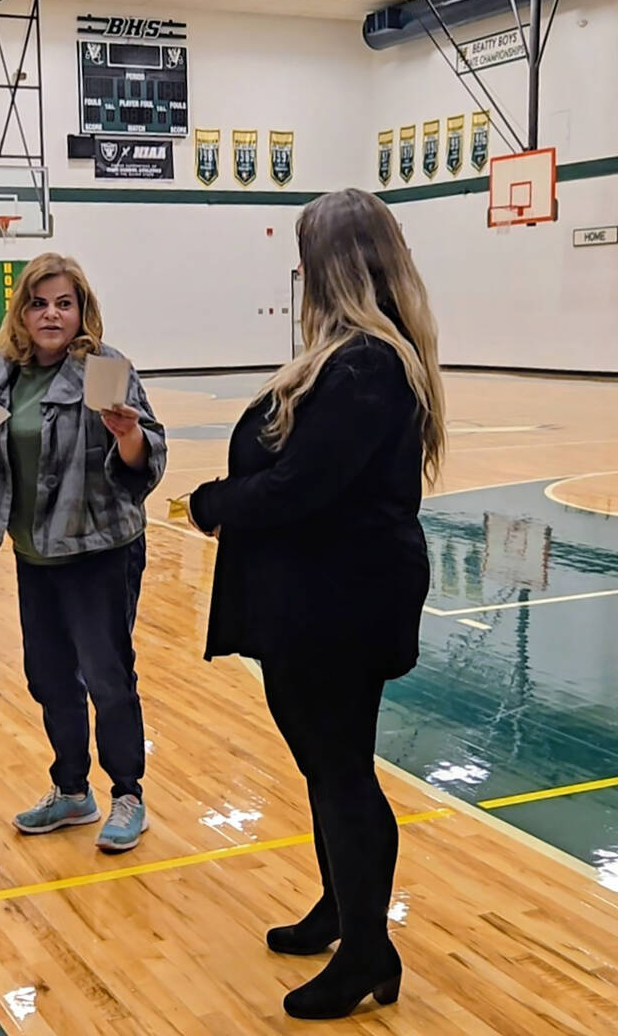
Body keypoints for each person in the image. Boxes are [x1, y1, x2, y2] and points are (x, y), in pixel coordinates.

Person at [188, 189, 445, 1020]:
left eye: (307, 256)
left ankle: (370, 949)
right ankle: (345, 910)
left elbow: (303, 487)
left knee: (341, 772)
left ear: (333, 265)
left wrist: (215, 502)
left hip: (344, 600)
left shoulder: (369, 362)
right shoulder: (349, 355)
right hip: (318, 594)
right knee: (325, 765)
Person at [0, 253, 166, 854]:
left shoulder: (106, 368)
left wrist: (128, 438)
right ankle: (72, 791)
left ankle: (127, 794)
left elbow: (150, 460)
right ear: (22, 311)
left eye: (64, 303)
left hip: (99, 553)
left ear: (81, 311)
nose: (51, 314)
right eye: (39, 303)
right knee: (48, 678)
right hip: (34, 553)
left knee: (107, 678)